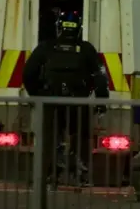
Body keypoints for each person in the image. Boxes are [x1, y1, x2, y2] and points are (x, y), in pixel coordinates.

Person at [22, 10, 109, 187]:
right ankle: (81, 174)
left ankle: (46, 174)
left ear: (59, 28)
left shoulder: (45, 47)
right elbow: (100, 76)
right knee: (81, 138)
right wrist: (102, 100)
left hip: (50, 103)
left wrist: (37, 96)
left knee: (48, 138)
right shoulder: (87, 49)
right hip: (78, 103)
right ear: (78, 29)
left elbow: (28, 73)